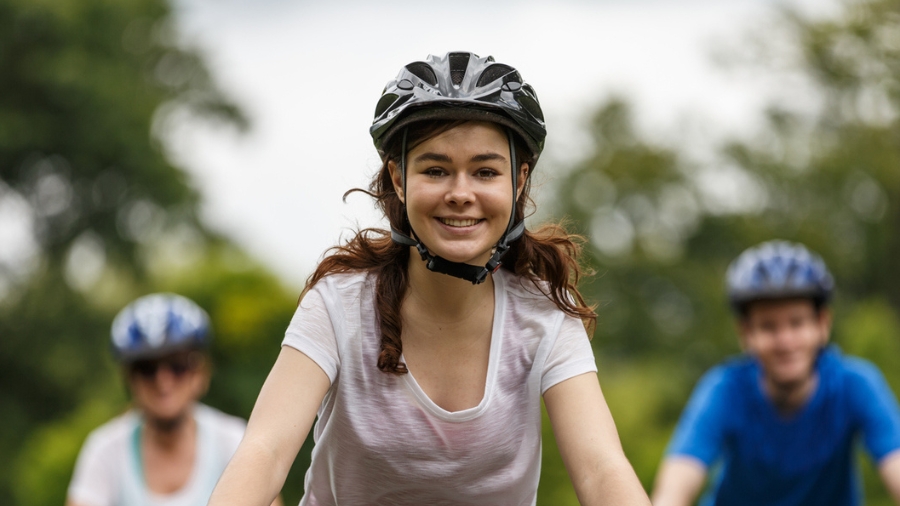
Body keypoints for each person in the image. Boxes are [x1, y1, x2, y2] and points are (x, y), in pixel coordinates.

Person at [207, 51, 650, 505]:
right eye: (435, 170)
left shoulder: (544, 315)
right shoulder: (337, 304)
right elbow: (265, 451)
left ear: (519, 182)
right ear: (398, 179)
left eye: (485, 172)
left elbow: (601, 469)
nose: (460, 193)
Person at [651, 240, 900, 506]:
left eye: (797, 323)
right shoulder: (724, 389)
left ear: (822, 325)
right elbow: (674, 488)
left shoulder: (855, 384)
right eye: (768, 327)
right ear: (746, 334)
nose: (785, 341)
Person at [66, 293, 275, 506]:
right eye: (147, 368)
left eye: (178, 366)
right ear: (130, 379)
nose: (163, 382)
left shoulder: (234, 441)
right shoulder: (105, 451)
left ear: (201, 373)